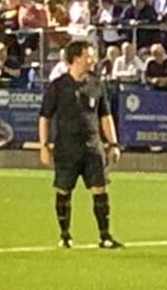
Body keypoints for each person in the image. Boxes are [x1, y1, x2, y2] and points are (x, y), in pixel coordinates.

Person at [38, 39, 122, 249]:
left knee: (100, 189)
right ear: (76, 58)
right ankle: (65, 235)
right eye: (88, 56)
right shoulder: (58, 86)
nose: (92, 60)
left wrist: (113, 144)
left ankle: (105, 235)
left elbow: (105, 116)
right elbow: (45, 117)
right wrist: (43, 146)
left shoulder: (96, 84)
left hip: (93, 147)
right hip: (66, 148)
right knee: (64, 190)